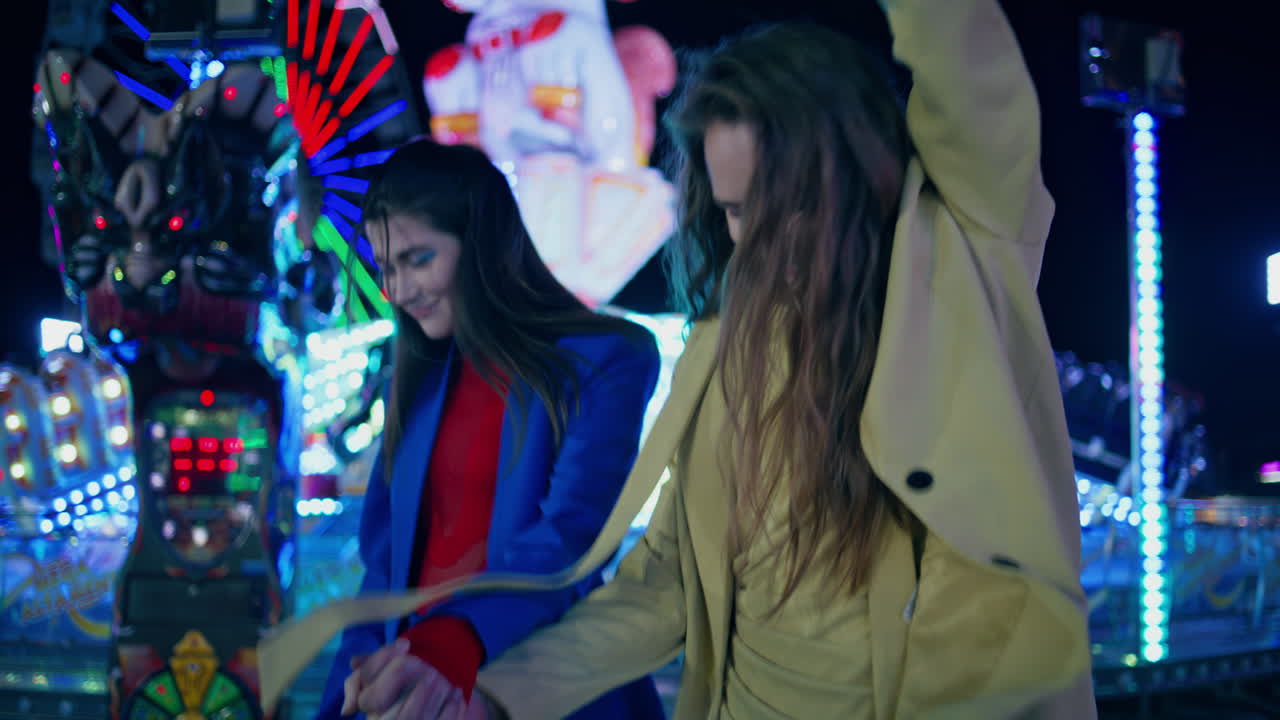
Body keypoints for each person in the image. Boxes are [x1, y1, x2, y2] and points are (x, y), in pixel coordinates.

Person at [352, 0, 1097, 716]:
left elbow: (966, 56)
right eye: (736, 210)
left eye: (784, 199)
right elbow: (667, 582)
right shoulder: (725, 346)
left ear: (860, 169)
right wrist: (493, 697)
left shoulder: (961, 258)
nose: (756, 238)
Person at [316, 139, 665, 720]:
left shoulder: (605, 357)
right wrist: (339, 705)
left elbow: (568, 540)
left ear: (481, 244)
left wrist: (452, 640)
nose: (398, 291)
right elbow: (383, 573)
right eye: (387, 268)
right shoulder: (420, 374)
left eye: (418, 259)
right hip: (415, 688)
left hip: (536, 685)